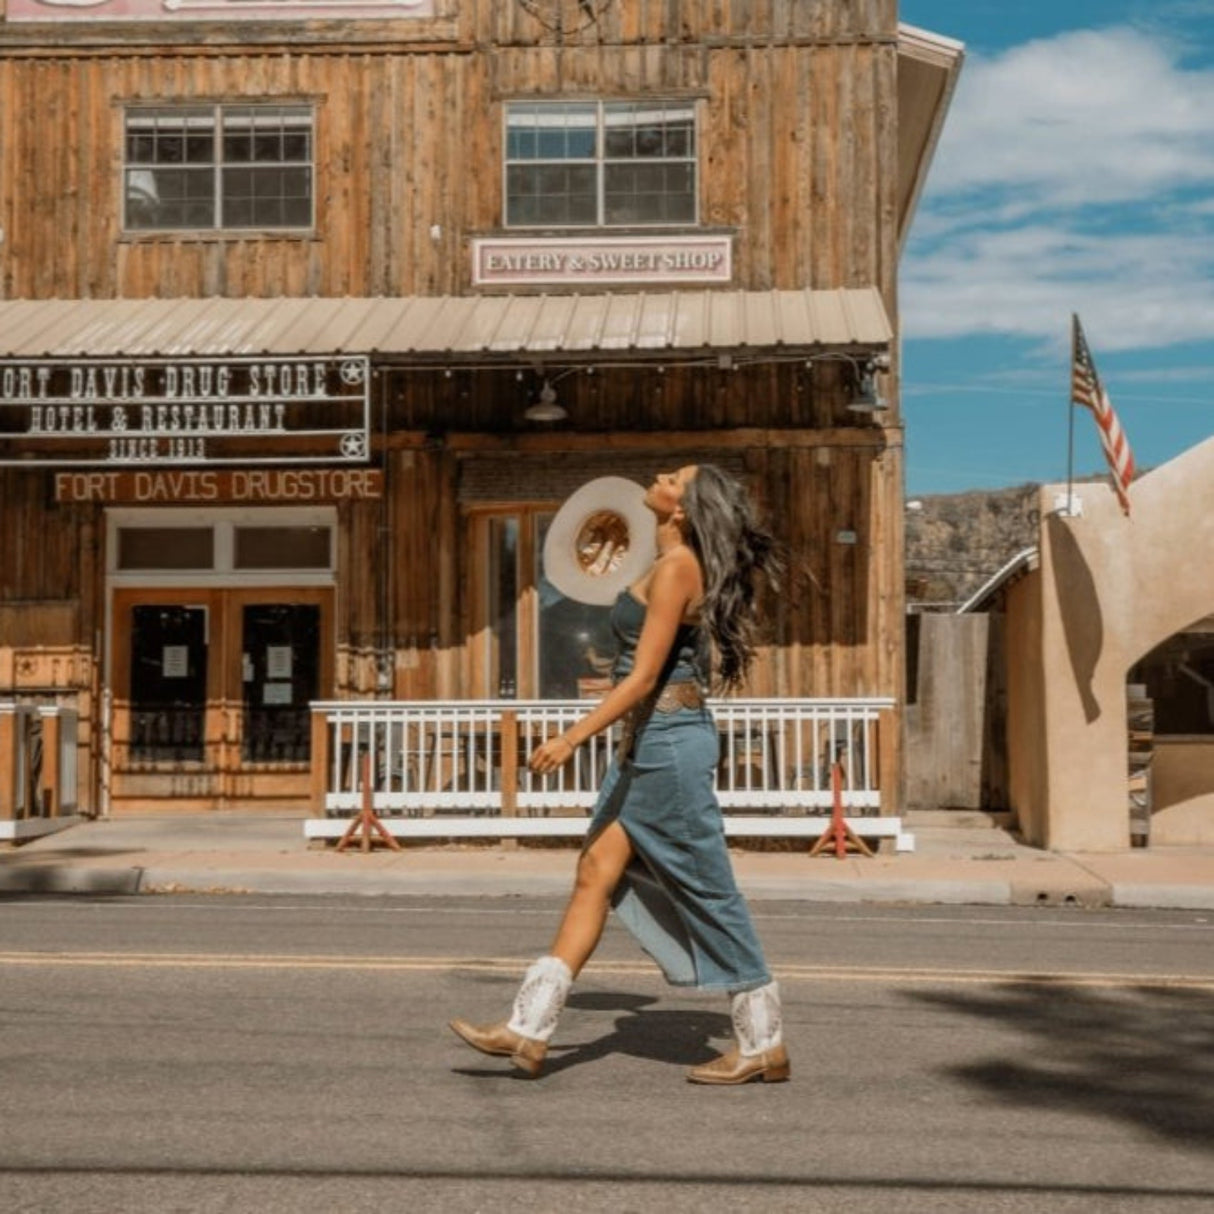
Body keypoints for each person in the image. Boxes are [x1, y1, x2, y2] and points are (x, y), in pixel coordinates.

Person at [449, 464, 787, 1085]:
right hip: (645, 743)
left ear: (682, 508)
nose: (661, 475)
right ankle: (528, 1030)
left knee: (707, 888)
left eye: (675, 478)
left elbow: (640, 678)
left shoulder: (681, 566)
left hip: (669, 746)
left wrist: (571, 737)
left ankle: (762, 1040)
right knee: (593, 877)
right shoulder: (664, 561)